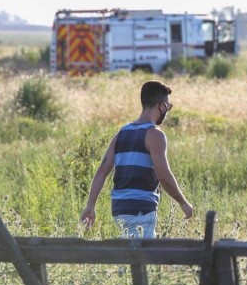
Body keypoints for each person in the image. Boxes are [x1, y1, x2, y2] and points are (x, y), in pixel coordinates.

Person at [81, 80, 193, 238]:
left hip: (119, 208)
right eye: (168, 106)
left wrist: (90, 206)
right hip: (141, 207)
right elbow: (163, 175)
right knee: (143, 256)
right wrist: (183, 202)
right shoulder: (155, 134)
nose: (167, 111)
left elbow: (102, 170)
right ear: (161, 106)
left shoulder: (122, 132)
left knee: (132, 250)